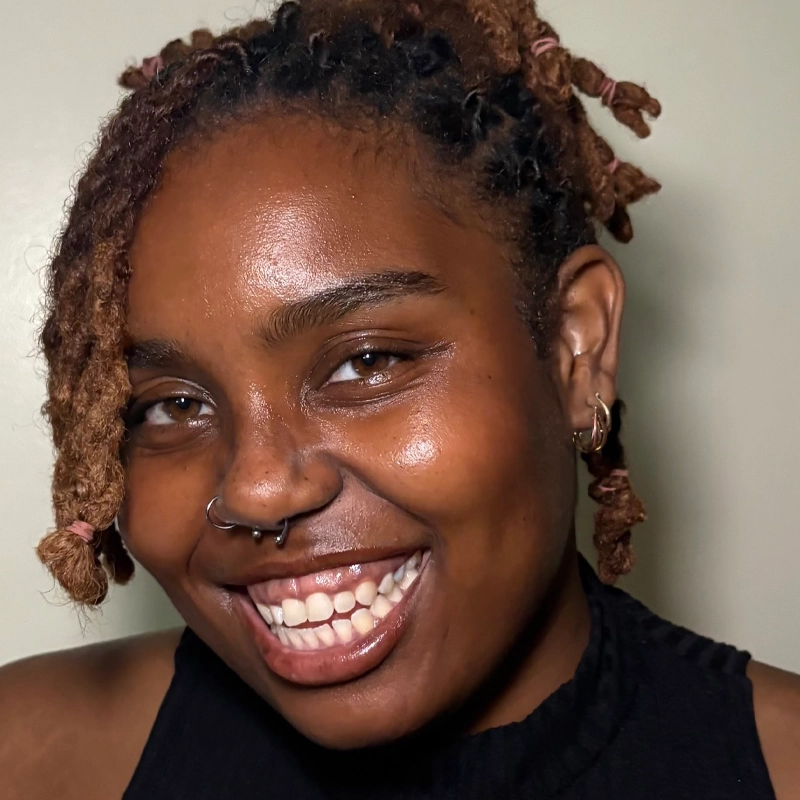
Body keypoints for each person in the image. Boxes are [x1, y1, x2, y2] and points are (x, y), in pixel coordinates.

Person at [1, 0, 798, 797]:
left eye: (366, 361)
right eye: (172, 407)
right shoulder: (36, 760)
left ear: (574, 347)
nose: (256, 489)